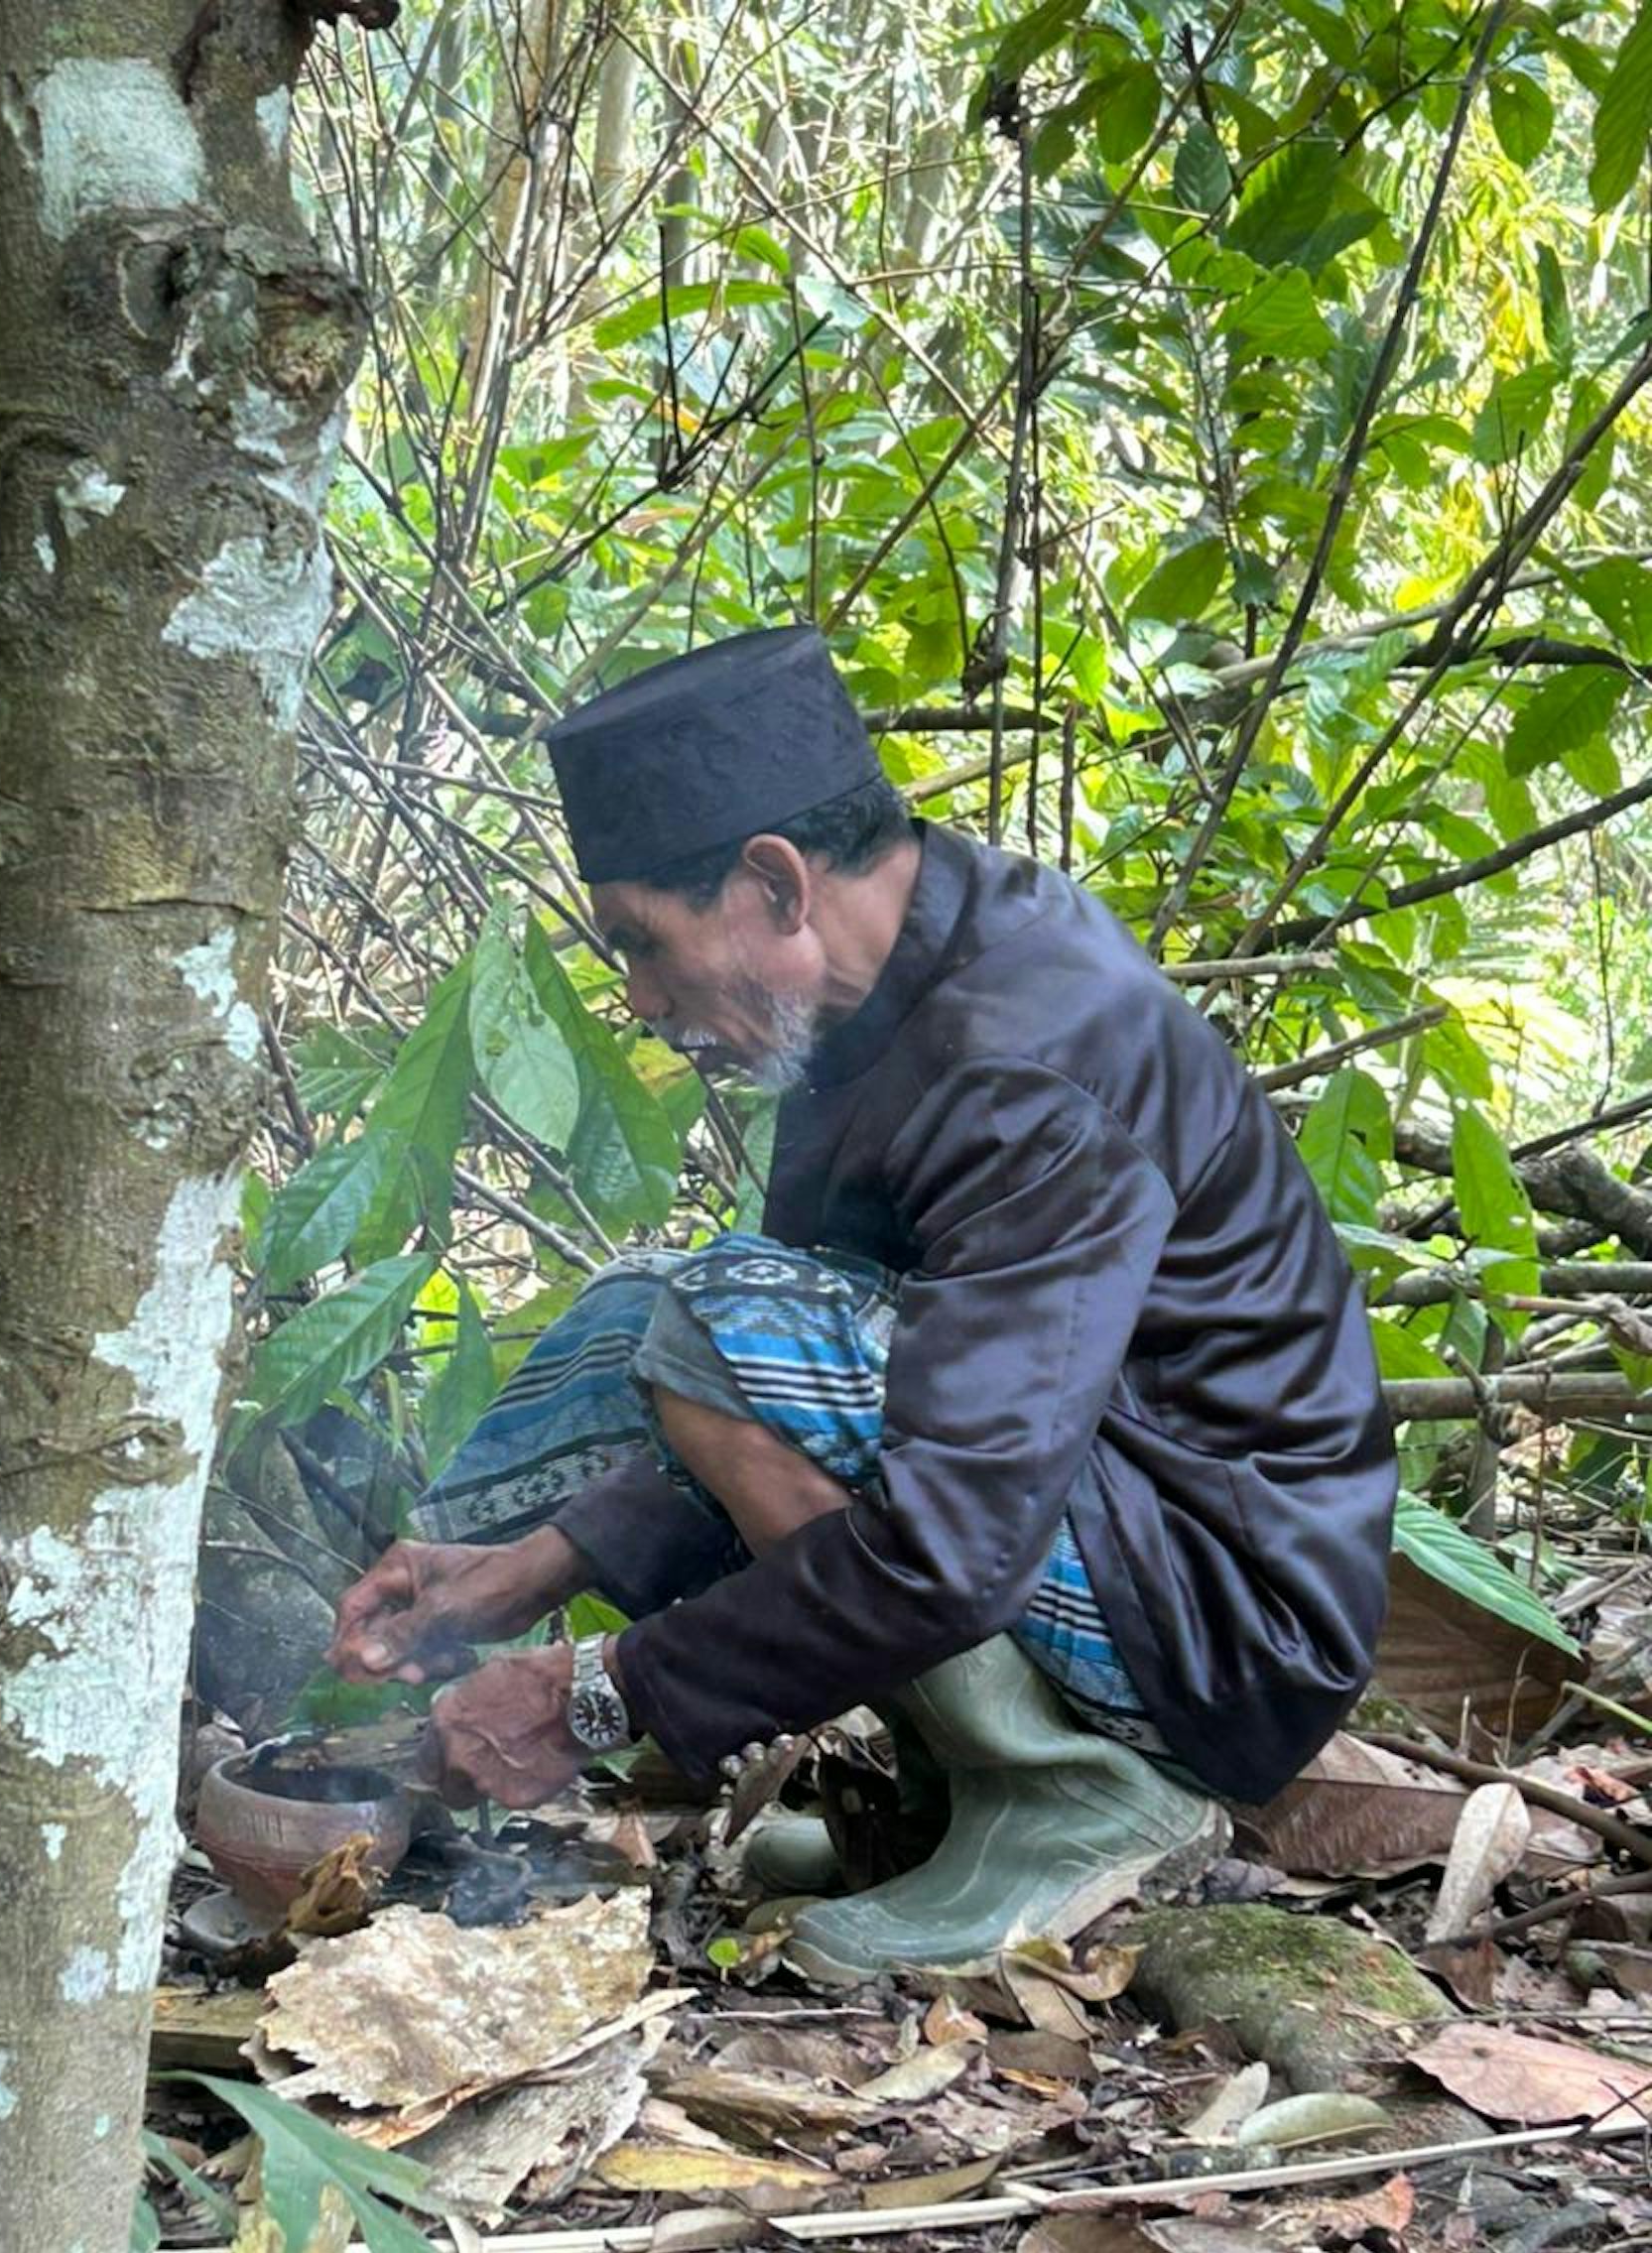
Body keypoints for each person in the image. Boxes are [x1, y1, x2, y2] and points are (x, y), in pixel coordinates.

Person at [326, 626, 1397, 1981]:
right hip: (1096, 1522)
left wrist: (600, 1694)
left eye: (645, 948)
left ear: (774, 883)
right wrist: (529, 1568)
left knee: (712, 1314)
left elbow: (948, 1531)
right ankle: (944, 1791)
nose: (644, 1004)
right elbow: (801, 1412)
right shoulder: (878, 990)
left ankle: (1068, 1789)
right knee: (636, 1319)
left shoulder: (1028, 1061)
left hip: (1222, 1626)